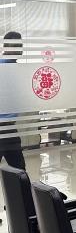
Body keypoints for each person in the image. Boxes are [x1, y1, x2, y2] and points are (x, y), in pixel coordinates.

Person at [0, 31, 26, 170]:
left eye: (19, 45)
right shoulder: (3, 67)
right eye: (14, 45)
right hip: (2, 126)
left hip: (9, 127)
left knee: (19, 170)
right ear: (5, 47)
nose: (18, 48)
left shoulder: (15, 68)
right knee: (19, 170)